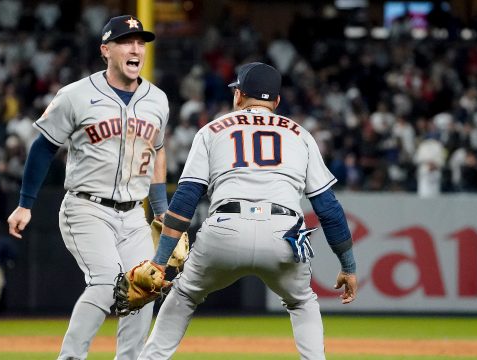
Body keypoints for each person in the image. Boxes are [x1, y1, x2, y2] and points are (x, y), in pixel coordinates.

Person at [138, 62, 358, 360]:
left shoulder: (211, 130)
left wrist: (160, 262)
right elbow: (328, 208)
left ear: (238, 95)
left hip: (225, 227)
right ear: (276, 102)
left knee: (185, 294)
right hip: (284, 235)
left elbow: (186, 199)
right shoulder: (300, 134)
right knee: (302, 302)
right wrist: (348, 266)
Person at [6, 15, 169, 360]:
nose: (135, 48)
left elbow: (157, 152)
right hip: (86, 206)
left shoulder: (158, 100)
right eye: (126, 42)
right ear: (106, 50)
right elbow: (43, 147)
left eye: (140, 42)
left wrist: (161, 208)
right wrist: (25, 204)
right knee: (107, 282)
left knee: (144, 288)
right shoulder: (76, 95)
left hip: (134, 212)